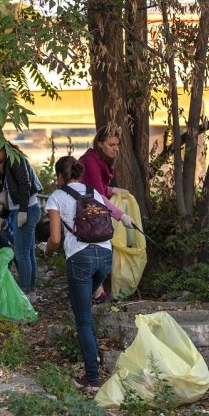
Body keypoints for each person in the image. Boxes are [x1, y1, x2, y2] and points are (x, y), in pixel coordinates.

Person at [40, 156, 112, 390]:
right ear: (79, 173)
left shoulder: (56, 197)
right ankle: (95, 356)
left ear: (59, 175)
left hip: (80, 258)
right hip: (105, 256)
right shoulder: (95, 193)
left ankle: (92, 377)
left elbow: (55, 238)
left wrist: (47, 252)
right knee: (85, 309)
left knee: (82, 318)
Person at [78, 124, 135, 303]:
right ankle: (95, 294)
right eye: (111, 145)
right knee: (95, 252)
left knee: (99, 250)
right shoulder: (90, 161)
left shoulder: (101, 161)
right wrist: (121, 215)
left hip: (94, 211)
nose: (116, 149)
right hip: (84, 214)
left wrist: (114, 190)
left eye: (117, 145)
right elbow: (95, 194)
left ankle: (98, 293)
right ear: (100, 143)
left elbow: (100, 189)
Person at [0, 140, 42, 297]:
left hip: (27, 209)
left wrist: (23, 211)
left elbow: (25, 184)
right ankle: (30, 290)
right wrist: (4, 215)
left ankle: (25, 292)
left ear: (1, 149)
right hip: (20, 209)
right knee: (28, 252)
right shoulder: (8, 162)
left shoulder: (16, 160)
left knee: (22, 253)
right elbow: (9, 193)